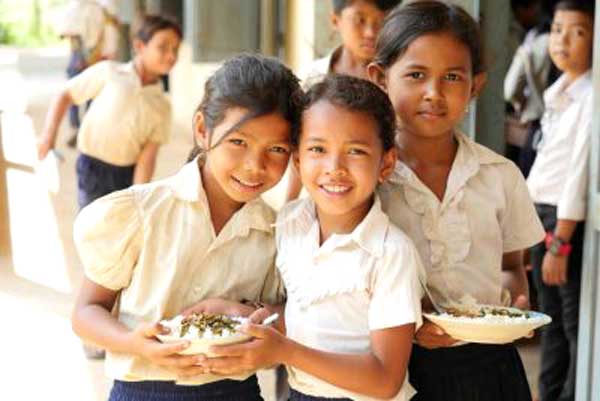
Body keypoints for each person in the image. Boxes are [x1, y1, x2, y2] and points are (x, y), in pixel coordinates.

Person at [70, 53, 304, 401]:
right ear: (202, 130)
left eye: (276, 149)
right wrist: (134, 343)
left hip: (236, 392)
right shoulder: (141, 213)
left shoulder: (279, 231)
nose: (255, 166)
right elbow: (86, 311)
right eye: (238, 142)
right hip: (142, 390)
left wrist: (257, 315)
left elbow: (295, 315)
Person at [186, 75, 424, 401]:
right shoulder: (290, 224)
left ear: (386, 163)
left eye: (355, 151)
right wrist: (246, 314)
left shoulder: (390, 253)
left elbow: (385, 380)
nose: (334, 167)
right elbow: (308, 317)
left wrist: (285, 352)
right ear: (297, 160)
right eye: (317, 149)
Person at [367, 2, 545, 400]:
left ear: (475, 85)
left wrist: (514, 304)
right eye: (416, 75)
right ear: (380, 79)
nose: (434, 93)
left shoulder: (500, 177)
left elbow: (510, 267)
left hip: (488, 368)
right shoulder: (363, 181)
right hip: (393, 367)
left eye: (452, 77)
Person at [38, 15, 181, 209]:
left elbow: (148, 156)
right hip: (92, 167)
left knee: (120, 232)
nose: (171, 55)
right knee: (92, 230)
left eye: (175, 49)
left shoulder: (162, 105)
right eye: (163, 47)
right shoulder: (109, 73)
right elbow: (65, 95)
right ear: (140, 46)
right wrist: (48, 135)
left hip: (126, 175)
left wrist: (139, 196)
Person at [526, 2, 595, 400]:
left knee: (572, 325)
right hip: (543, 215)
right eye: (556, 30)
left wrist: (560, 242)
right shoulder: (559, 92)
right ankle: (549, 393)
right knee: (550, 321)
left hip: (563, 223)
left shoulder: (591, 99)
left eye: (578, 32)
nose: (562, 40)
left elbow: (577, 175)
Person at [286, 0, 401, 202]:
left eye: (383, 22)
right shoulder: (312, 77)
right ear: (335, 20)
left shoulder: (399, 80)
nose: (370, 32)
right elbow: (301, 145)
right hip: (328, 198)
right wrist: (290, 201)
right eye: (359, 20)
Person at [56, 0, 121, 145]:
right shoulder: (96, 9)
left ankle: (79, 128)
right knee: (84, 93)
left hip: (89, 56)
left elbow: (66, 32)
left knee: (78, 92)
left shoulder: (95, 8)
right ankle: (81, 129)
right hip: (90, 56)